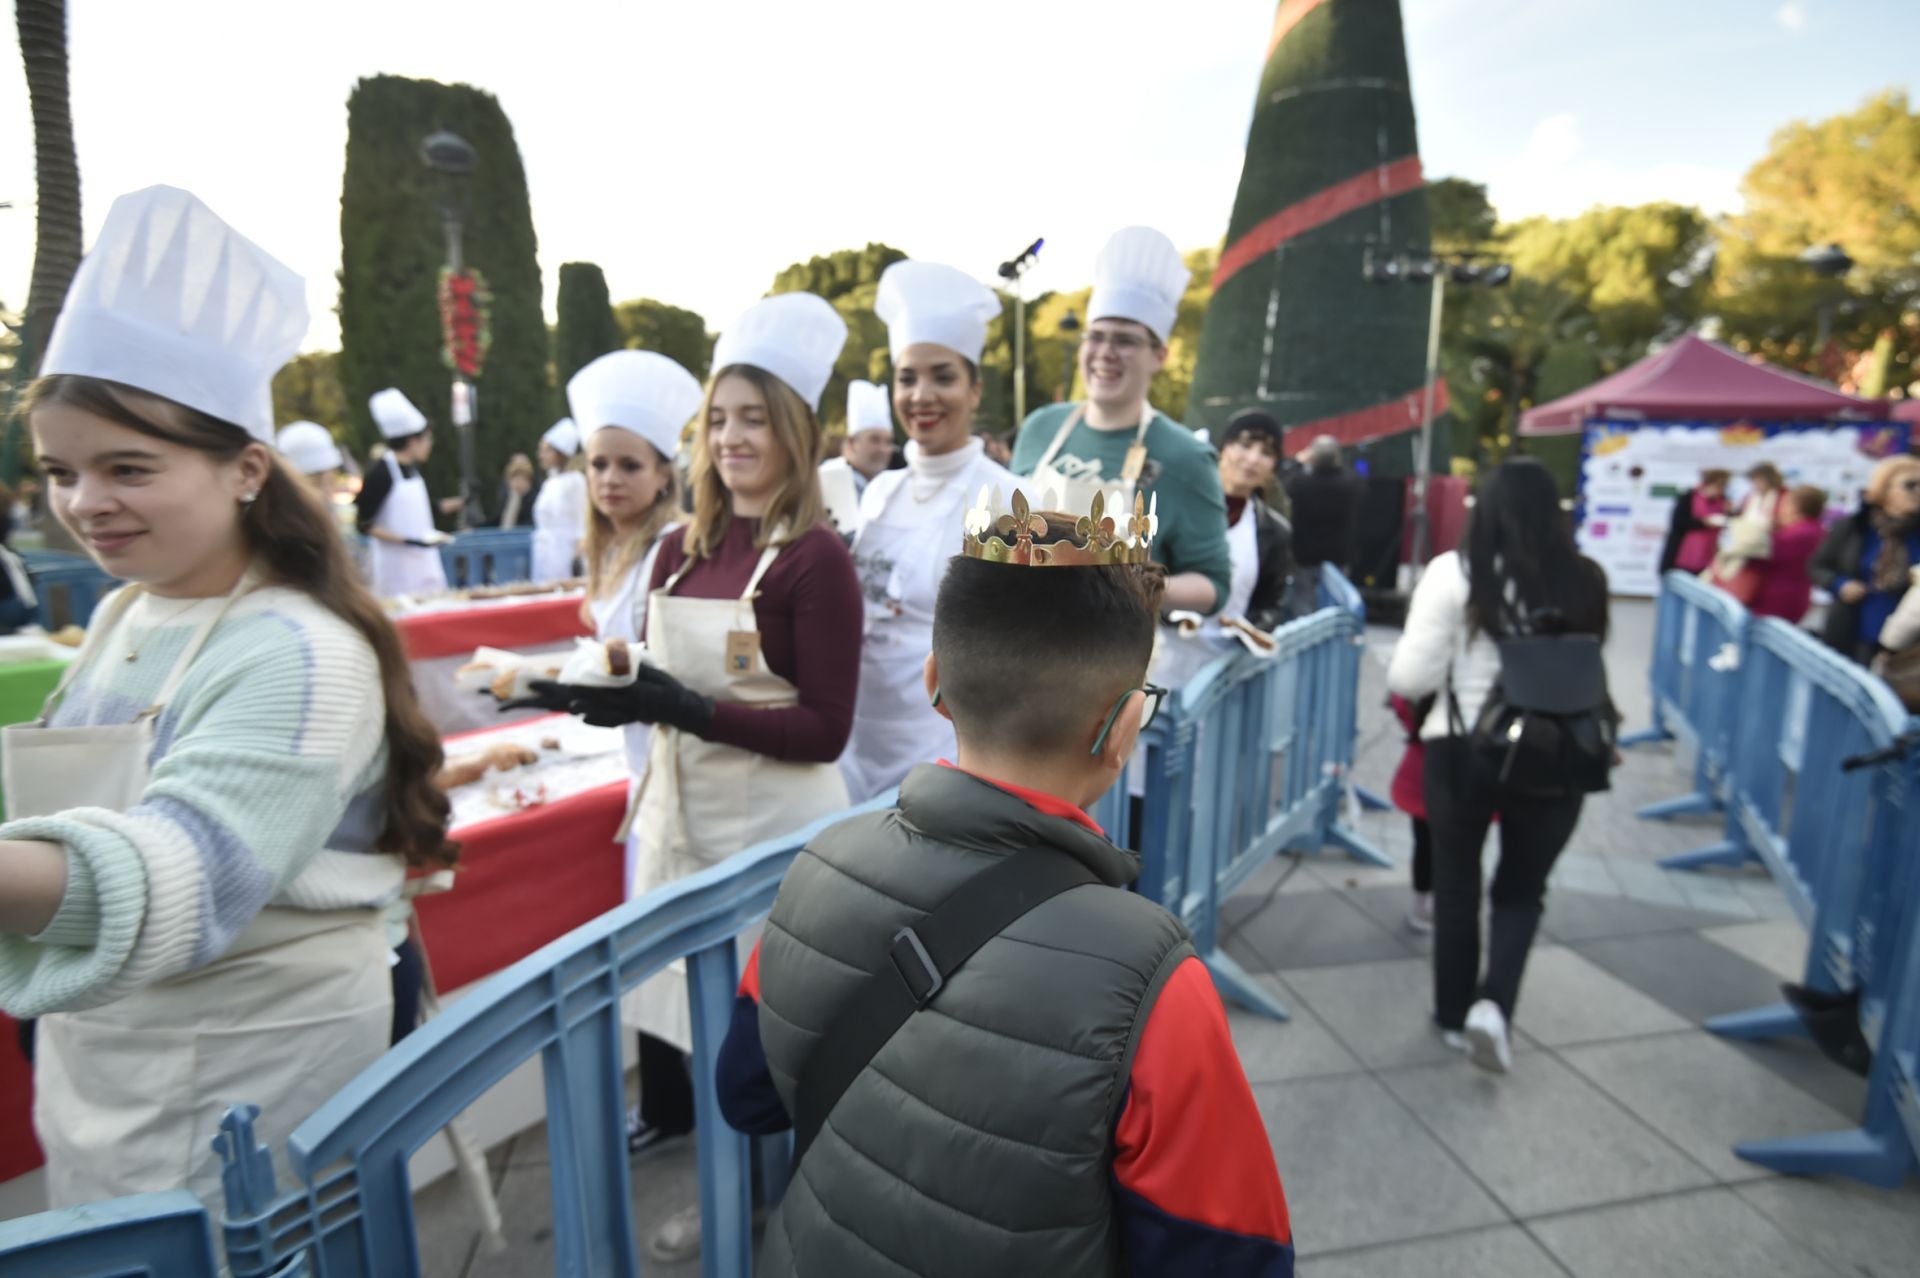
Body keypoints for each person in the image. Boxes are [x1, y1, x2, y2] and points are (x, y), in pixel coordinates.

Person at [0, 186, 454, 1208]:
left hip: (252, 1065)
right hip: (111, 1049)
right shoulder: (128, 613)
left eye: (127, 467)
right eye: (61, 472)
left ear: (248, 469)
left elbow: (187, 870)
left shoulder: (304, 655)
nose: (84, 505)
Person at [714, 493, 1293, 1276]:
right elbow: (1232, 1257)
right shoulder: (1156, 983)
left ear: (933, 683)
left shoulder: (817, 867)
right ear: (1125, 727)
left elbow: (745, 1094)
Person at [529, 293, 862, 1261]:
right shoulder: (681, 550)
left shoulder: (817, 562)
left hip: (771, 848)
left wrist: (682, 708)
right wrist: (607, 690)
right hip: (681, 834)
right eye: (720, 418)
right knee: (693, 1032)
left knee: (774, 1053)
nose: (732, 437)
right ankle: (731, 1195)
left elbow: (825, 732)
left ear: (796, 432)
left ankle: (783, 1212)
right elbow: (648, 668)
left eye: (754, 418)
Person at [1386, 457, 1611, 1075]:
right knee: (1521, 890)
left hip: (1464, 749)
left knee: (1457, 884)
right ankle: (1496, 1007)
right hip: (1560, 752)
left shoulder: (1455, 573)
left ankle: (1455, 1016)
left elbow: (1411, 675)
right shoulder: (1586, 577)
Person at [838, 260, 1017, 802]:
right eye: (907, 378)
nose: (922, 396)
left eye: (943, 377)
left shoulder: (1009, 497)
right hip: (858, 733)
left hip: (944, 745)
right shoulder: (880, 491)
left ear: (975, 390)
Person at [1011, 226, 1232, 616]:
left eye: (1126, 340)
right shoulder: (1040, 429)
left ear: (1159, 355)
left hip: (1117, 661)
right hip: (1023, 635)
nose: (1105, 353)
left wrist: (1130, 583)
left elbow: (1213, 584)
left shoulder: (1186, 457)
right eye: (1095, 337)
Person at [1811, 455, 1920, 662]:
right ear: (1885, 489)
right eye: (1910, 485)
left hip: (1907, 640)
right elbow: (1818, 566)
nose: (1918, 492)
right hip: (1854, 628)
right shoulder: (1855, 527)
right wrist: (1840, 584)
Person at [357, 387, 459, 597]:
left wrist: (448, 505)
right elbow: (364, 524)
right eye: (427, 440)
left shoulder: (412, 470)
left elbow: (418, 512)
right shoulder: (381, 472)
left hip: (424, 563)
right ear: (412, 441)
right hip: (395, 569)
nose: (430, 446)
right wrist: (408, 541)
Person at [1214, 409, 1295, 636]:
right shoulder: (1177, 505)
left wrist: (1251, 628)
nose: (1253, 459)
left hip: (1229, 661)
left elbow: (1269, 605)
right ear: (1225, 448)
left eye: (1266, 453)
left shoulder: (1275, 531)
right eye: (1245, 445)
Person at [1283, 435, 1360, 618]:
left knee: (1303, 601)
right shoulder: (1351, 483)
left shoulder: (1300, 483)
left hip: (1305, 553)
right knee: (1336, 601)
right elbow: (1352, 476)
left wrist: (1298, 462)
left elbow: (1283, 481)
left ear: (1313, 457)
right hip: (1339, 553)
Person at [818, 381, 893, 536]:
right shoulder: (830, 479)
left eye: (888, 442)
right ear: (852, 443)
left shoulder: (886, 485)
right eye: (875, 440)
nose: (884, 449)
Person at [1706, 463, 1784, 604]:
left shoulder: (1781, 497)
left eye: (1757, 480)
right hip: (1745, 546)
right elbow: (1740, 517)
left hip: (1764, 549)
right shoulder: (1751, 497)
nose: (1755, 484)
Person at [1750, 485, 1827, 624]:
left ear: (1794, 506)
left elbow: (1761, 559)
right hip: (1798, 596)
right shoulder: (1817, 530)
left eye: (1784, 504)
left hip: (1776, 599)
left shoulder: (1796, 534)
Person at [530, 418, 588, 582]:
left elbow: (582, 521)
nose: (541, 455)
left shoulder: (575, 481)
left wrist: (578, 556)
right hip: (546, 553)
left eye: (547, 450)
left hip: (566, 553)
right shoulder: (550, 482)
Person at [1657, 467, 1729, 576]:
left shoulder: (1724, 501)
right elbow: (1678, 522)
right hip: (1682, 556)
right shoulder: (1688, 497)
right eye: (1718, 486)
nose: (1720, 490)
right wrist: (1703, 523)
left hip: (1708, 556)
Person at [494, 453, 539, 529]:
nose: (518, 482)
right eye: (514, 479)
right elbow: (496, 520)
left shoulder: (534, 500)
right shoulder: (507, 498)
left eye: (521, 479)